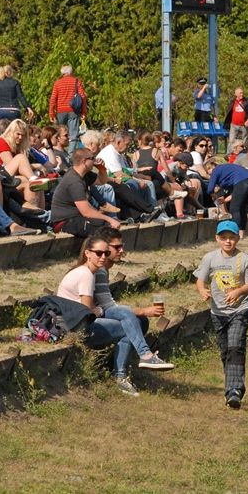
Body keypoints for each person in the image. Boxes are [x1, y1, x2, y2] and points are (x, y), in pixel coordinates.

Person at [57, 235, 171, 397]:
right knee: (127, 327)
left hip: (74, 323)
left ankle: (141, 359)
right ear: (87, 253)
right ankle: (123, 374)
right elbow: (87, 311)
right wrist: (100, 310)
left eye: (106, 253)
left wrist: (99, 310)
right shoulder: (86, 275)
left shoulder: (88, 271)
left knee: (127, 316)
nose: (103, 256)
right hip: (74, 327)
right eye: (98, 253)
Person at [195, 220, 248, 409]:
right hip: (218, 312)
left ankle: (234, 391)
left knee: (236, 346)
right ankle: (231, 386)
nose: (228, 241)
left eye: (232, 237)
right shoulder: (210, 258)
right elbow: (200, 280)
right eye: (224, 238)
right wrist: (202, 290)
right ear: (217, 238)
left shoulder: (245, 259)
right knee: (225, 351)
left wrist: (238, 292)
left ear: (238, 238)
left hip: (241, 309)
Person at [94, 225, 173, 368]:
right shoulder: (99, 271)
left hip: (95, 315)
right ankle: (136, 361)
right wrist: (143, 311)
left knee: (140, 321)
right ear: (104, 247)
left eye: (122, 246)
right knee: (131, 323)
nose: (121, 250)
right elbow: (109, 307)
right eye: (117, 247)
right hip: (85, 321)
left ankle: (116, 367)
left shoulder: (102, 269)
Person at [50, 149, 120, 236]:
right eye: (92, 158)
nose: (95, 160)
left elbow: (102, 181)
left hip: (77, 218)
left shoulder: (84, 174)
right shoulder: (74, 181)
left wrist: (102, 169)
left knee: (105, 226)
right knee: (104, 231)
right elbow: (86, 212)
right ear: (84, 161)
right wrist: (110, 219)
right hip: (64, 222)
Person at [207, 161, 248, 237]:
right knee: (241, 208)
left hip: (243, 181)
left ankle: (234, 234)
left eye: (209, 173)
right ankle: (241, 234)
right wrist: (224, 200)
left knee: (234, 209)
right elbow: (235, 193)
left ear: (210, 168)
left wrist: (214, 196)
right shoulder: (226, 171)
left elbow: (209, 189)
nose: (210, 175)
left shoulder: (216, 170)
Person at [48, 64, 86, 151]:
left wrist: (51, 113)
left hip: (60, 111)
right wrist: (83, 112)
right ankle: (71, 154)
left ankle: (59, 151)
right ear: (70, 72)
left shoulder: (57, 83)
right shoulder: (76, 81)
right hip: (73, 111)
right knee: (73, 134)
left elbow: (53, 98)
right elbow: (83, 96)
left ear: (62, 73)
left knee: (59, 133)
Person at [224, 87, 248, 154]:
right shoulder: (232, 101)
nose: (242, 94)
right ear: (236, 94)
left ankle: (244, 153)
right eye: (240, 93)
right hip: (234, 124)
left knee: (245, 140)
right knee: (231, 140)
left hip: (244, 125)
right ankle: (229, 154)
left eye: (242, 93)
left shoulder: (247, 101)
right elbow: (229, 111)